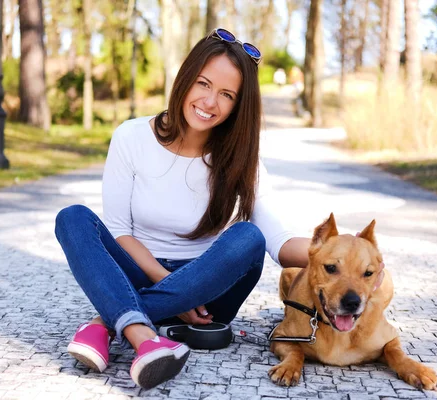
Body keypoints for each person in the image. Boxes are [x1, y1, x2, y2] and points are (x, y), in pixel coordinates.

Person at [54, 28, 311, 390]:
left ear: (238, 106)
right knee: (72, 218)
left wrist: (345, 251)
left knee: (248, 238)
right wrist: (170, 285)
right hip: (141, 272)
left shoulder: (242, 158)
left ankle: (105, 322)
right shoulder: (131, 137)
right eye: (203, 84)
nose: (209, 101)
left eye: (226, 95)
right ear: (186, 78)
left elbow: (278, 242)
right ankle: (144, 336)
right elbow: (118, 232)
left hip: (208, 297)